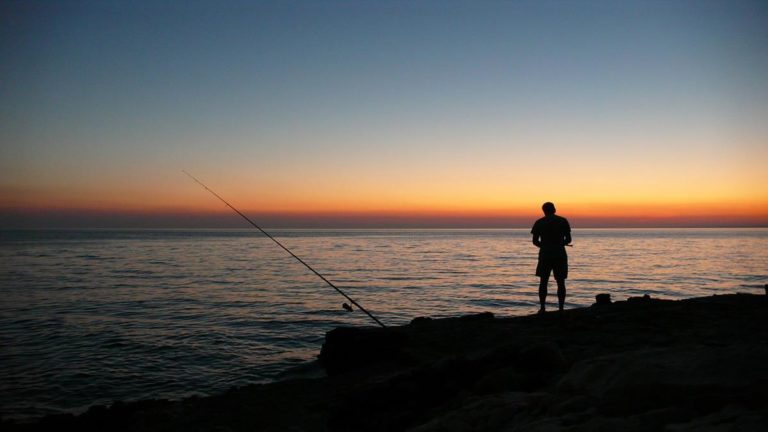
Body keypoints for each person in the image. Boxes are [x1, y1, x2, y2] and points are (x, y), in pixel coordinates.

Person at [531, 202, 571, 313]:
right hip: (560, 254)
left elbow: (535, 241)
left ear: (543, 210)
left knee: (543, 281)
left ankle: (543, 308)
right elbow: (568, 240)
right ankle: (561, 308)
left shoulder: (539, 222)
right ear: (554, 209)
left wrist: (544, 246)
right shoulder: (563, 221)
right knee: (561, 282)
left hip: (545, 255)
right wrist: (559, 243)